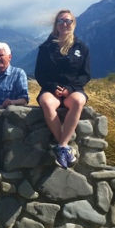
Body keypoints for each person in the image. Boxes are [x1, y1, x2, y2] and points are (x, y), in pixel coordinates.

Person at [35, 9, 91, 169]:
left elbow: (85, 75)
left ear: (73, 24)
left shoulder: (82, 48)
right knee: (46, 103)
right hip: (50, 89)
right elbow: (40, 73)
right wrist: (52, 87)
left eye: (68, 21)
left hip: (72, 90)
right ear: (56, 25)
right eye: (61, 21)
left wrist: (70, 89)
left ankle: (61, 145)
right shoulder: (46, 48)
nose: (64, 24)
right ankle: (64, 148)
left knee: (79, 101)